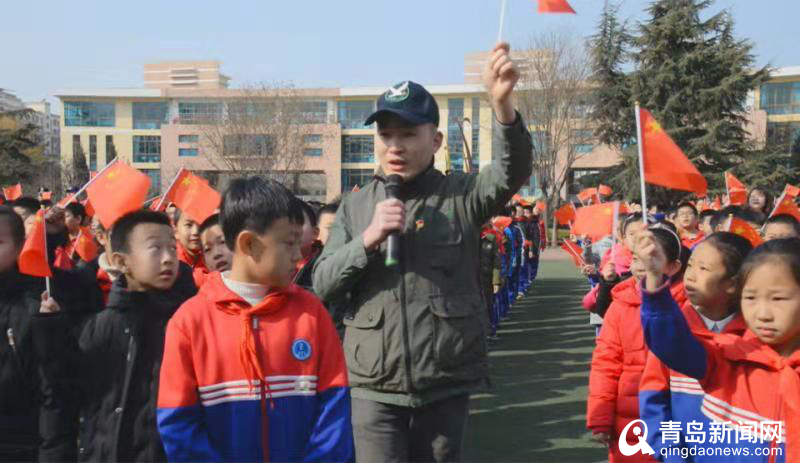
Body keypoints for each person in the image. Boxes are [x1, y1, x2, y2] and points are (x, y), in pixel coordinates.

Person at [312, 42, 533, 462]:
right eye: (386, 135)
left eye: (408, 134)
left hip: (443, 379)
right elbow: (322, 282)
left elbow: (512, 171)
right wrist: (368, 240)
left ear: (435, 140)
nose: (395, 146)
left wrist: (503, 106)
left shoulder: (462, 195)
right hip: (373, 385)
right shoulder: (356, 206)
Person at [157, 177, 353, 462]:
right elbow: (178, 423)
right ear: (248, 243)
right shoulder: (190, 322)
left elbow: (334, 411)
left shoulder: (312, 314)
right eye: (289, 243)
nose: (298, 255)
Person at [33, 210, 196, 462]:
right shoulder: (97, 327)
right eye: (155, 248)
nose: (168, 259)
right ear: (121, 261)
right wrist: (51, 330)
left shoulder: (187, 325)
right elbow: (63, 392)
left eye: (172, 249)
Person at [638, 235, 800, 461]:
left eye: (778, 299)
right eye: (751, 298)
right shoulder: (728, 356)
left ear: (731, 284)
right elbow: (670, 344)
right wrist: (655, 282)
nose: (763, 314)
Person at [638, 232, 752, 459]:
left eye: (703, 268)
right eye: (690, 265)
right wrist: (671, 453)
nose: (690, 275)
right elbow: (654, 399)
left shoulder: (755, 338)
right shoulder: (674, 331)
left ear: (733, 284)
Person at [587, 225, 686, 462]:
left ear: (674, 266)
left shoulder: (688, 305)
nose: (641, 266)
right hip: (629, 422)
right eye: (635, 258)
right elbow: (605, 363)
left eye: (652, 258)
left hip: (676, 416)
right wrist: (600, 417)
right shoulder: (620, 305)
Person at [173, 209, 208, 287]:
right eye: (189, 225)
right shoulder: (172, 261)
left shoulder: (209, 257)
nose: (195, 231)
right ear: (175, 231)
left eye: (200, 224)